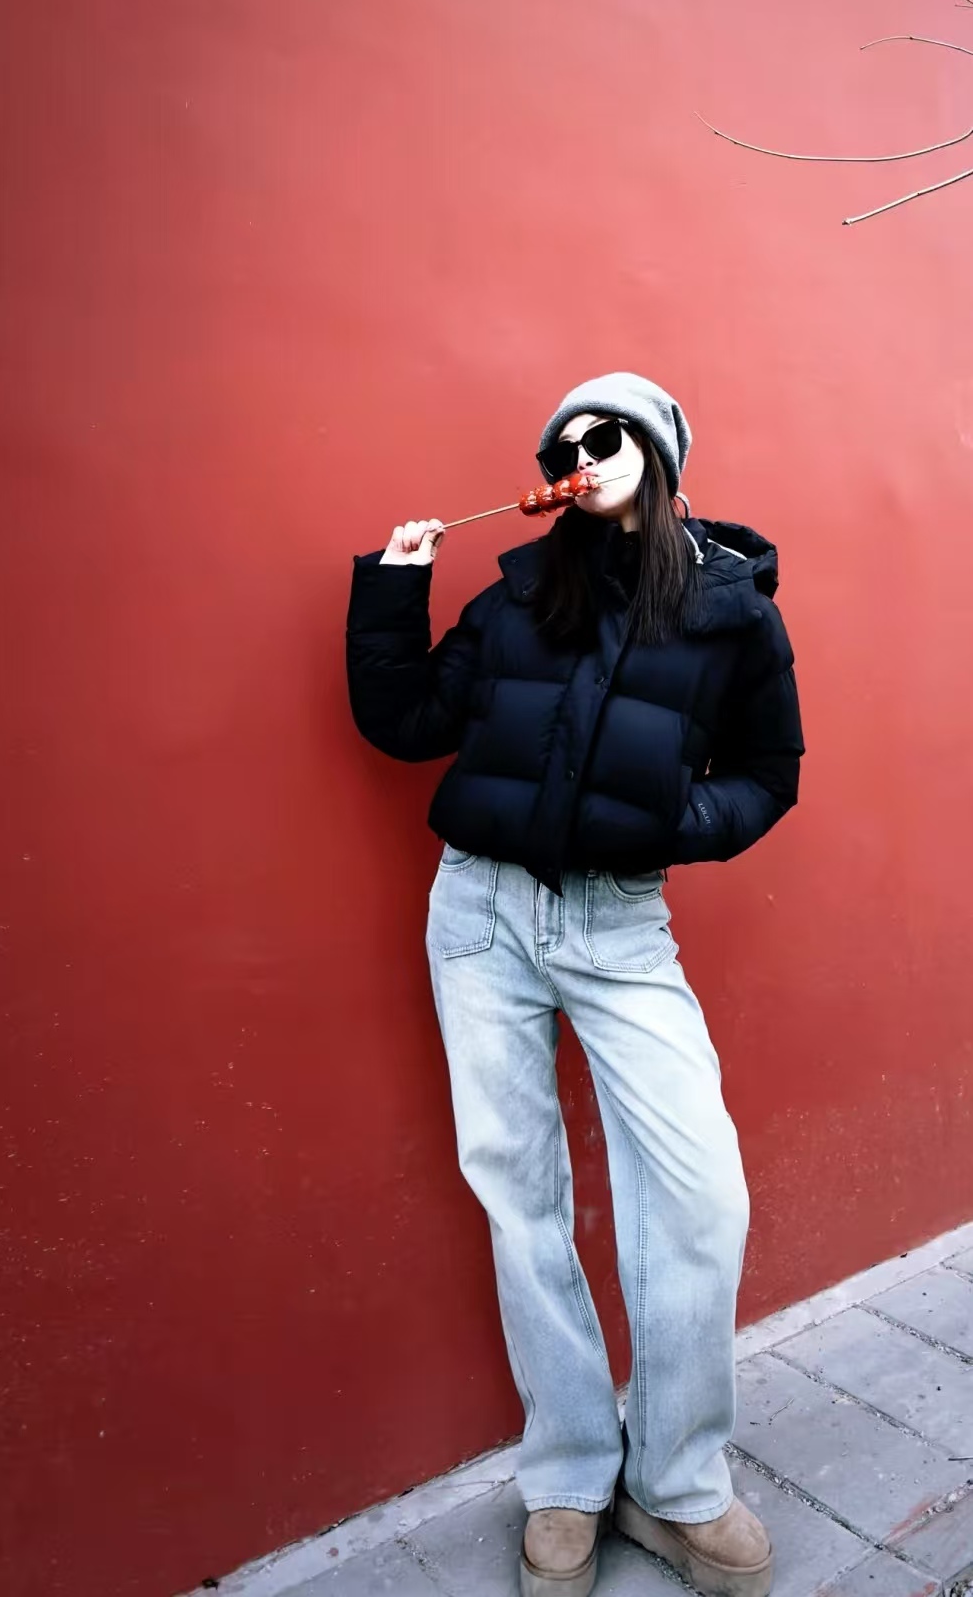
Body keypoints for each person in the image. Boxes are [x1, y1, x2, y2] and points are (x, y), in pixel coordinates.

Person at [346, 372, 804, 1597]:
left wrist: (669, 821)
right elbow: (408, 722)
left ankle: (678, 1482)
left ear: (658, 453)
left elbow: (768, 771)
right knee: (518, 1193)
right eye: (564, 444)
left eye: (607, 436)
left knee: (697, 1194)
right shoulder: (514, 594)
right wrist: (392, 589)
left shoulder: (729, 609)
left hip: (618, 926)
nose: (580, 455)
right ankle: (566, 1473)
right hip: (480, 916)